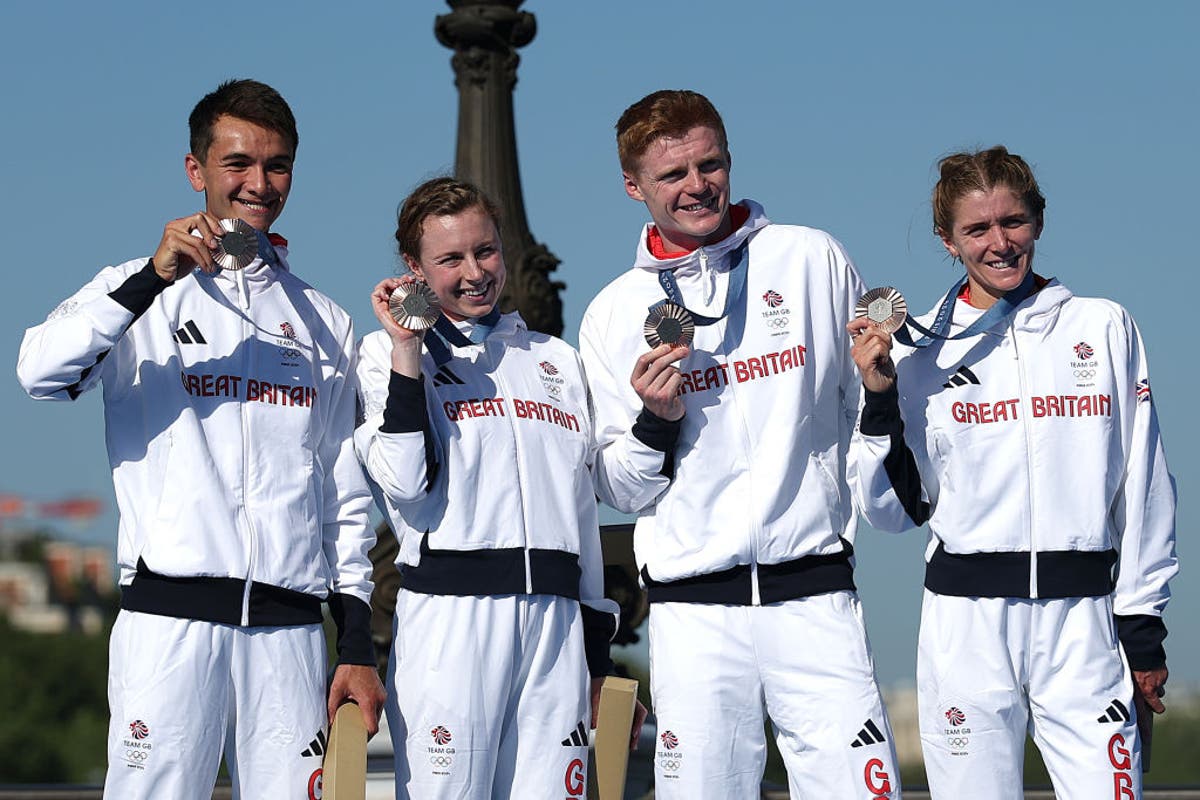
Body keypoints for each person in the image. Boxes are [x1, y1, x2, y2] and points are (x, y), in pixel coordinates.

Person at [16, 79, 385, 799]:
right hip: (168, 625)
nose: (259, 183)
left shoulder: (324, 320)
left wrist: (358, 642)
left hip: (287, 633)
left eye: (277, 165)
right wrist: (151, 282)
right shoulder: (135, 288)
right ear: (197, 171)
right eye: (238, 163)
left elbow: (342, 494)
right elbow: (38, 373)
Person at [579, 89, 901, 799]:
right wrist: (656, 419)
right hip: (694, 616)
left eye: (710, 164)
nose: (698, 186)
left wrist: (884, 396)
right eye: (673, 175)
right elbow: (622, 490)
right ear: (634, 187)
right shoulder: (612, 313)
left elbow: (857, 419)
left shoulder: (810, 257)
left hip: (813, 595)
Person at [847, 145, 1177, 799]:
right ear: (947, 241)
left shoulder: (1103, 327)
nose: (1000, 243)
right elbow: (890, 513)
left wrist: (1142, 630)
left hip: (1083, 622)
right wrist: (880, 398)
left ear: (1038, 221)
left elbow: (1145, 485)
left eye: (1013, 221)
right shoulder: (915, 352)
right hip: (966, 626)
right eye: (977, 229)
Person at [354, 177, 642, 799]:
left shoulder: (556, 361)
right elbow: (405, 482)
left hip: (557, 628)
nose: (474, 272)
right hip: (454, 624)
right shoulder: (384, 355)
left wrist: (596, 661)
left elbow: (580, 522)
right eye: (450, 259)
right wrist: (410, 350)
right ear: (414, 267)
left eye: (485, 251)